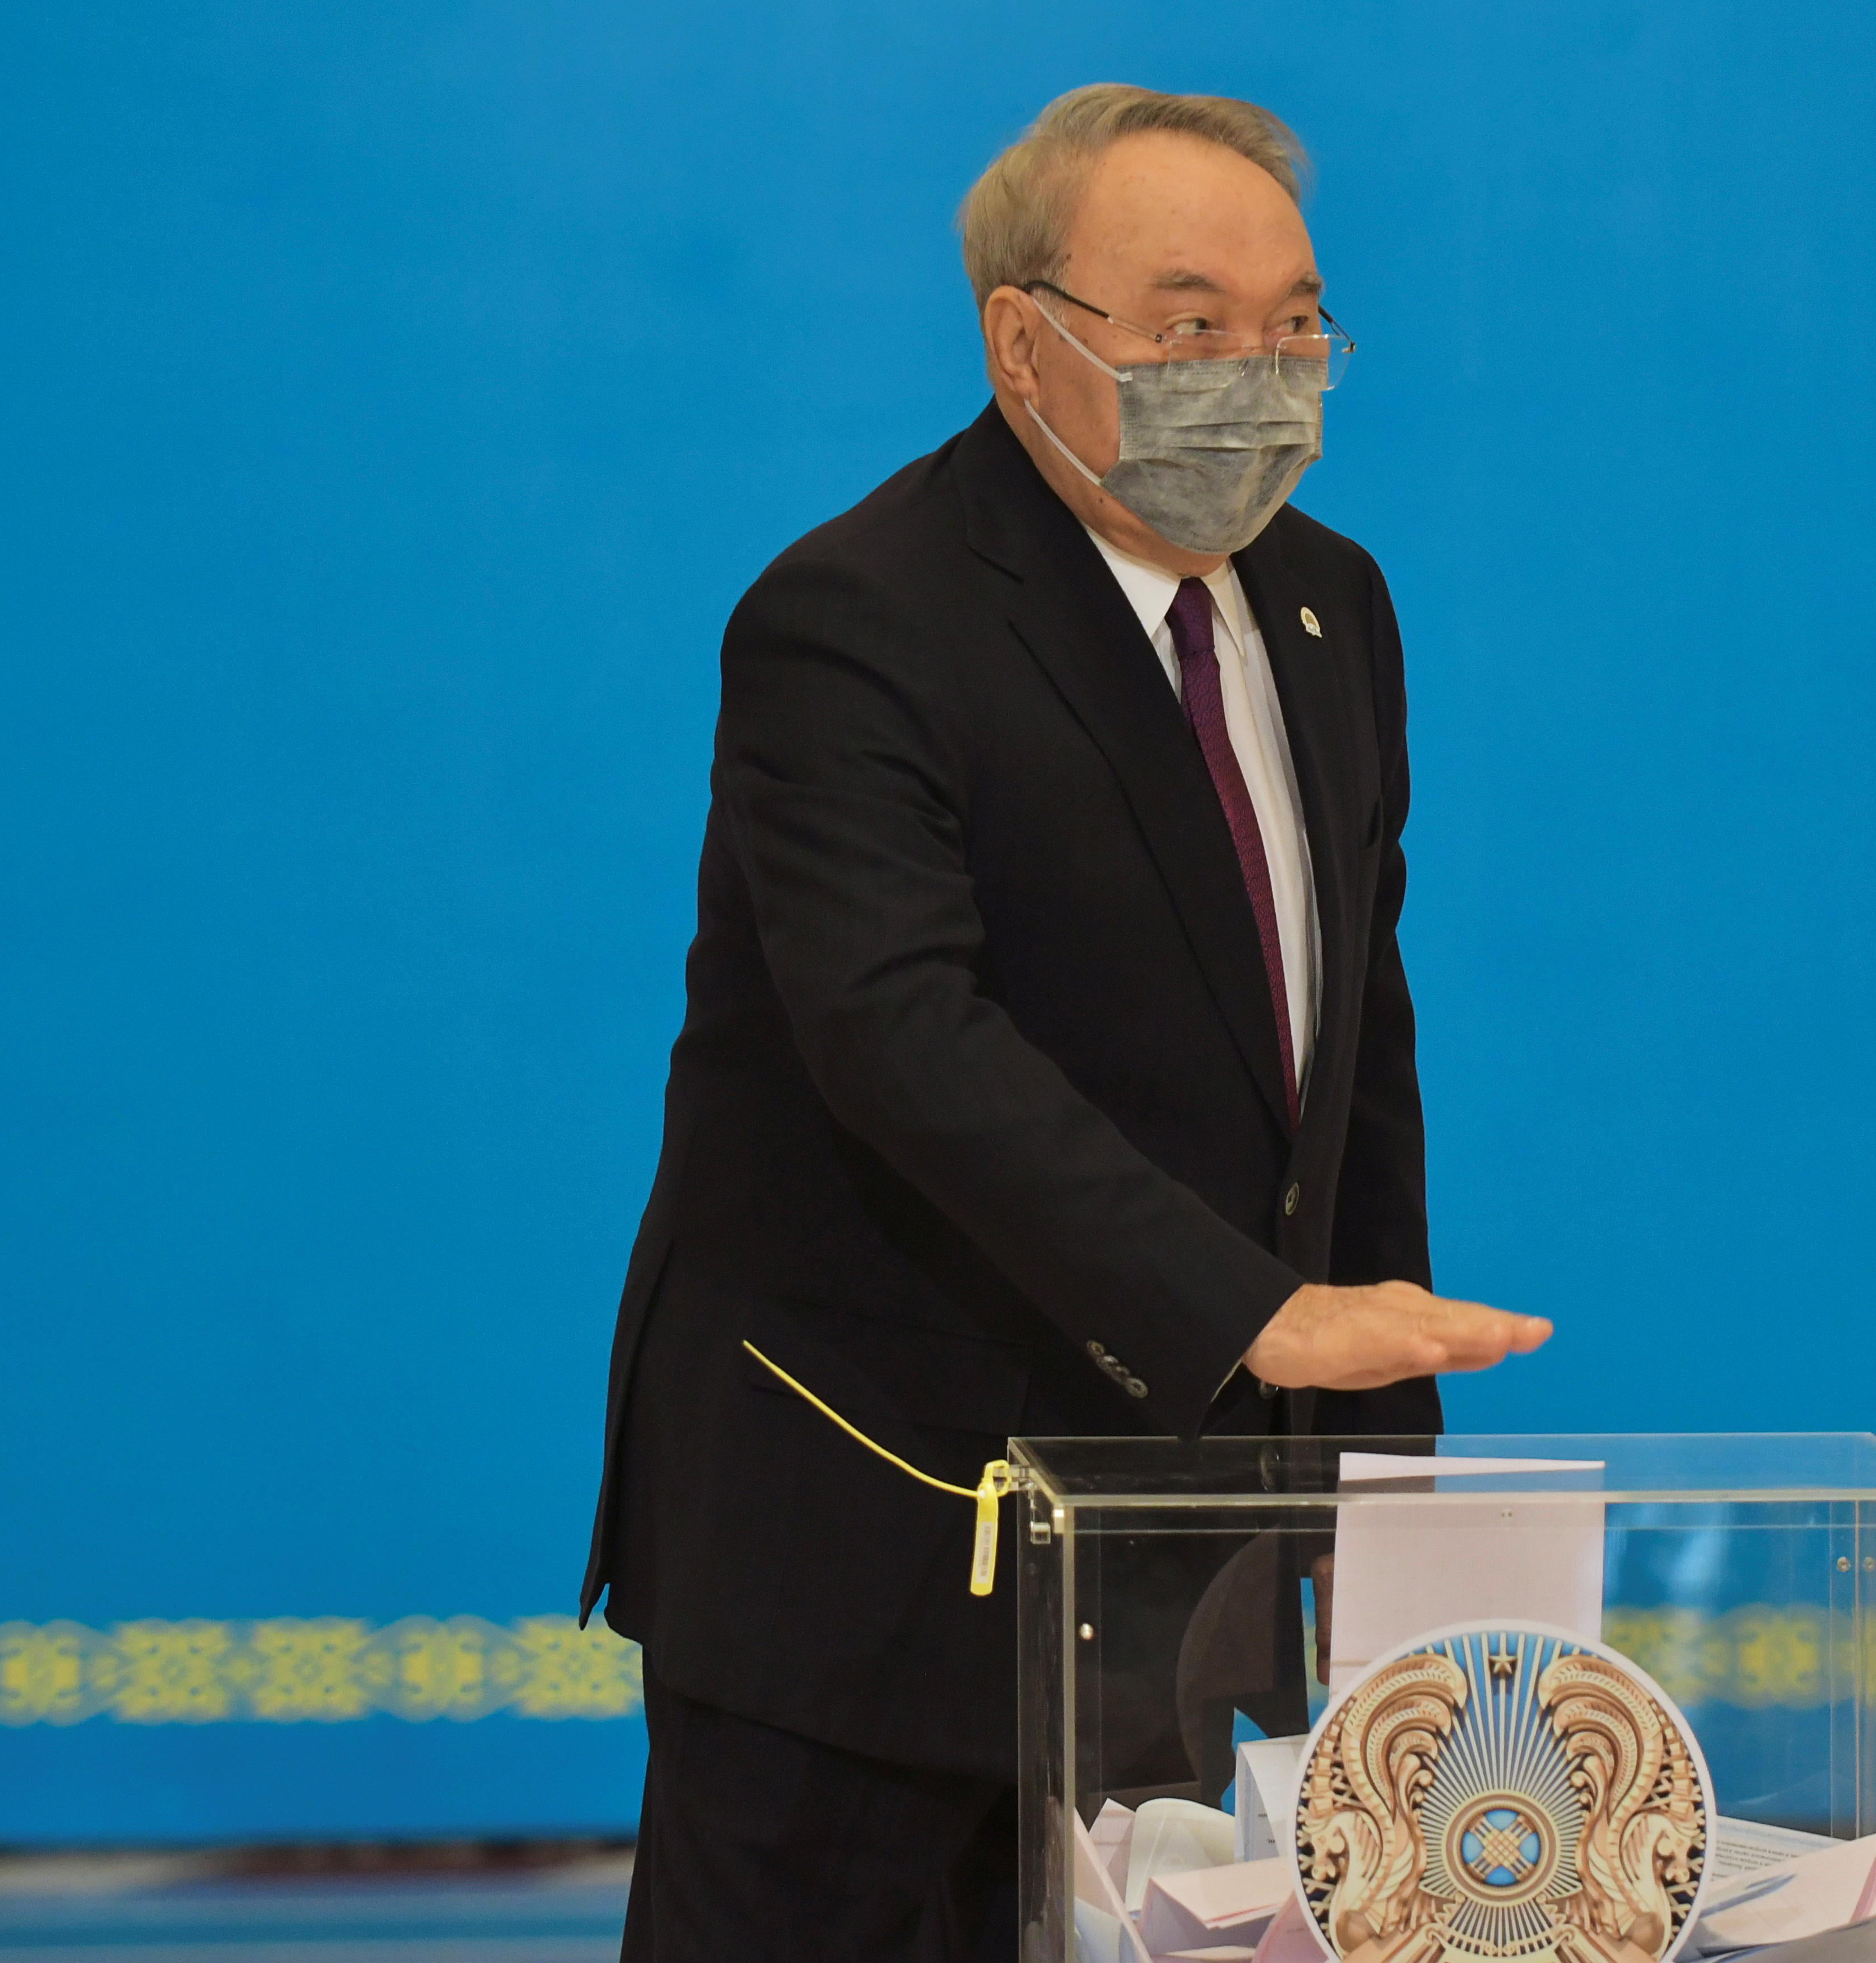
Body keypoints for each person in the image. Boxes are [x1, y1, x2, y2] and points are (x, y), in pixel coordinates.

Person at [578, 83, 1553, 1962]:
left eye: (1294, 324)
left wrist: (1382, 1495)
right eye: (1190, 328)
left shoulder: (1331, 605)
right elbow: (899, 1036)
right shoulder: (855, 614)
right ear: (1023, 343)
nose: (1257, 378)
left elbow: (1344, 1064)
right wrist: (1248, 1312)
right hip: (866, 1543)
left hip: (1171, 1555)